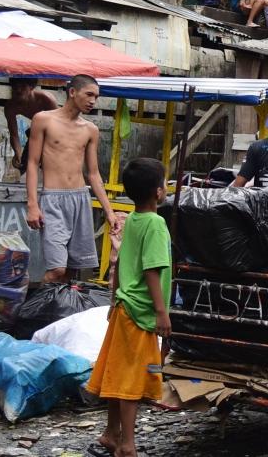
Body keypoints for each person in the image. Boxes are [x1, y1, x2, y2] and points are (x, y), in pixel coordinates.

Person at [86, 157, 170, 457]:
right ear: (158, 192)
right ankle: (127, 445)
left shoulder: (132, 219)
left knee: (118, 373)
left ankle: (111, 433)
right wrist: (162, 312)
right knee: (132, 381)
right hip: (141, 311)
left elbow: (120, 261)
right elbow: (151, 270)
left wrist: (113, 299)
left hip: (124, 305)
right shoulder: (156, 224)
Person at [25, 74, 121, 283]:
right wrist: (32, 204)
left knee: (72, 272)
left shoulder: (90, 130)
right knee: (57, 270)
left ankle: (58, 314)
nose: (93, 101)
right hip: (53, 199)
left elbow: (93, 174)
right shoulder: (43, 119)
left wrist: (109, 212)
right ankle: (32, 311)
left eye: (96, 97)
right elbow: (32, 163)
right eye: (89, 95)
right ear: (72, 92)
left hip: (80, 198)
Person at [4, 78, 58, 175]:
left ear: (31, 87)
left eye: (22, 87)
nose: (18, 90)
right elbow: (14, 134)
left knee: (50, 163)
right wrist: (18, 152)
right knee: (23, 163)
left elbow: (59, 127)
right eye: (15, 87)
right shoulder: (10, 106)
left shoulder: (46, 99)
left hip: (54, 133)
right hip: (36, 132)